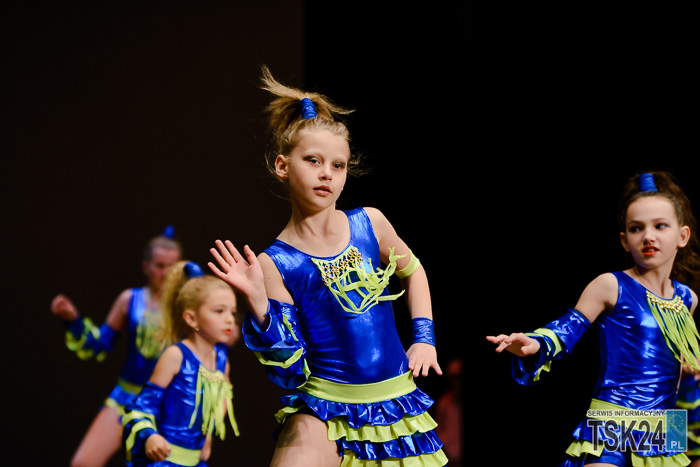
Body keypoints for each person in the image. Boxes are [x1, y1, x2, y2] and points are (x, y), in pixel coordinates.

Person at [207, 66, 447, 466]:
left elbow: (414, 270)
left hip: (396, 402)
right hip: (325, 407)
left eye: (338, 165)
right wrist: (259, 304)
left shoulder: (370, 222)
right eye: (313, 160)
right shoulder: (275, 262)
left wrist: (424, 337)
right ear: (283, 166)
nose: (326, 174)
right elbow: (291, 371)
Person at [487, 171, 700, 466]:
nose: (648, 236)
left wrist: (690, 433)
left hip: (665, 429)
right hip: (614, 419)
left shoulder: (687, 298)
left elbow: (681, 373)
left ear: (682, 236)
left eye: (660, 225)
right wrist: (536, 344)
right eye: (636, 228)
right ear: (625, 240)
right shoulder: (610, 285)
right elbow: (569, 326)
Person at [51, 228, 182, 467]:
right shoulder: (129, 300)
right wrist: (73, 320)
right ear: (146, 266)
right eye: (159, 266)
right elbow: (99, 345)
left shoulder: (186, 305)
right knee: (83, 463)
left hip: (166, 404)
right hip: (126, 397)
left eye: (171, 267)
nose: (165, 273)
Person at [121, 261, 240, 467]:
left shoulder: (221, 360)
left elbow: (222, 396)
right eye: (219, 311)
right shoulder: (176, 356)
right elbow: (142, 405)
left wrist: (209, 434)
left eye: (232, 312)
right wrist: (150, 435)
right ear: (191, 318)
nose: (230, 319)